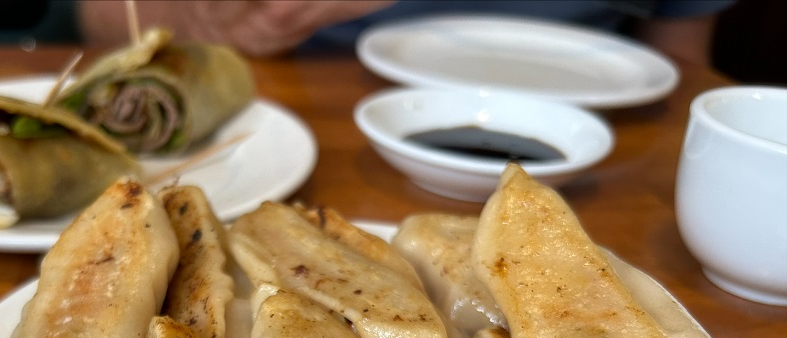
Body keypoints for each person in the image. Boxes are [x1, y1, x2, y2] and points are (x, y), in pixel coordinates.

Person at [76, 0, 737, 64]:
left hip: (609, 149)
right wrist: (213, 20)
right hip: (305, 107)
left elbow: (683, 56)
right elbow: (108, 17)